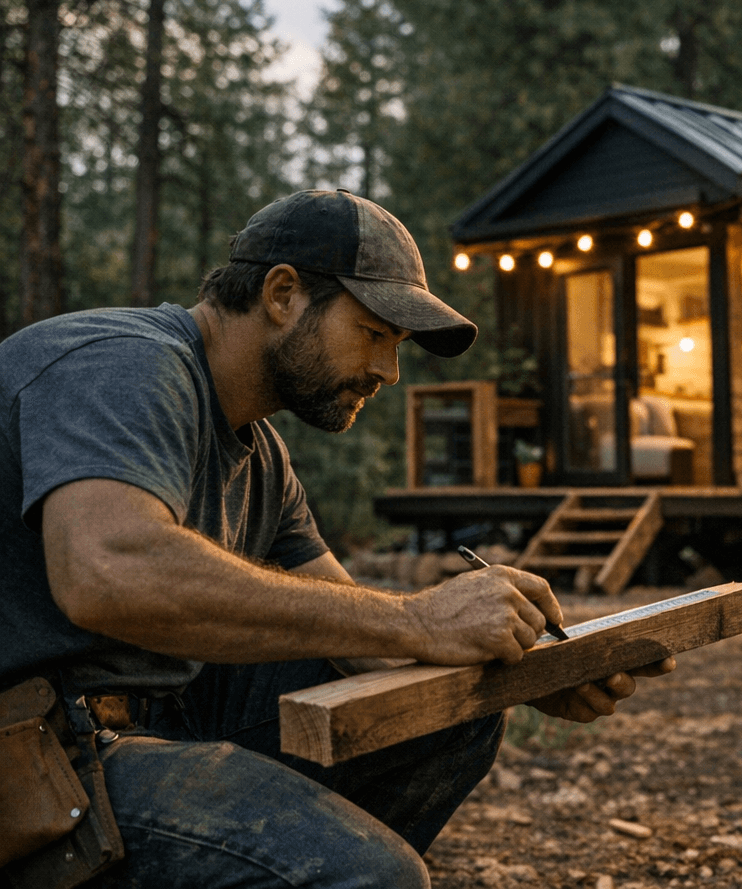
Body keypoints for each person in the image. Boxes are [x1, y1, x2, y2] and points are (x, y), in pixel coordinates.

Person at [0, 189, 672, 887]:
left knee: (452, 717)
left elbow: (357, 641)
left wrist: (529, 674)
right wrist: (417, 617)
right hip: (32, 753)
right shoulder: (123, 364)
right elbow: (108, 573)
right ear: (283, 294)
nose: (389, 371)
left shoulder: (261, 456)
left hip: (152, 717)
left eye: (398, 345)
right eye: (374, 334)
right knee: (370, 877)